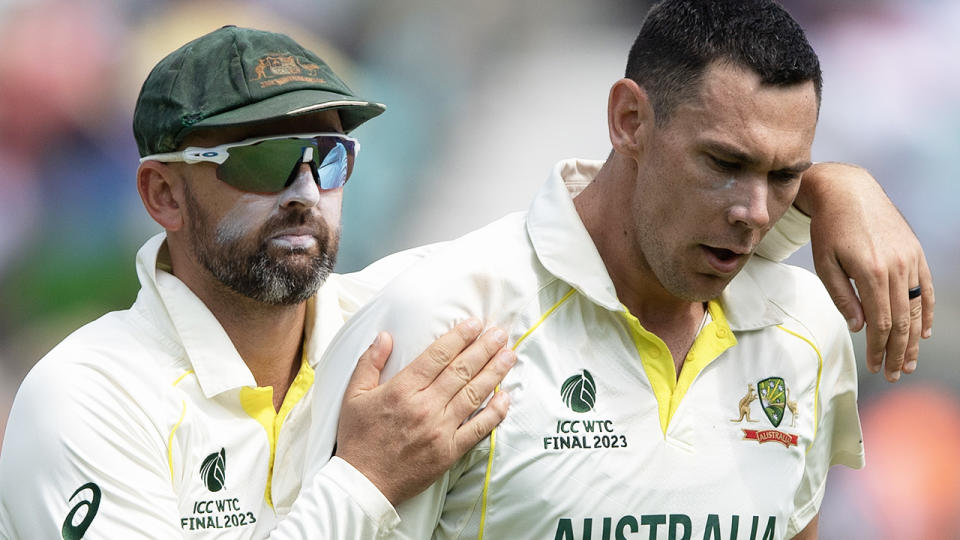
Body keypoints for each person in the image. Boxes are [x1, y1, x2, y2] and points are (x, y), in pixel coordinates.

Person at [0, 17, 932, 539]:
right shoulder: (86, 398)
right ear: (163, 194)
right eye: (263, 156)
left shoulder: (396, 313)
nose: (301, 190)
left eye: (324, 156)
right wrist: (363, 480)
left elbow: (643, 222)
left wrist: (836, 189)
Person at [306, 1, 933, 539]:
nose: (754, 212)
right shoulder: (447, 316)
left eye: (785, 175)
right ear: (629, 120)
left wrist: (843, 185)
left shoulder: (807, 331)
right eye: (723, 163)